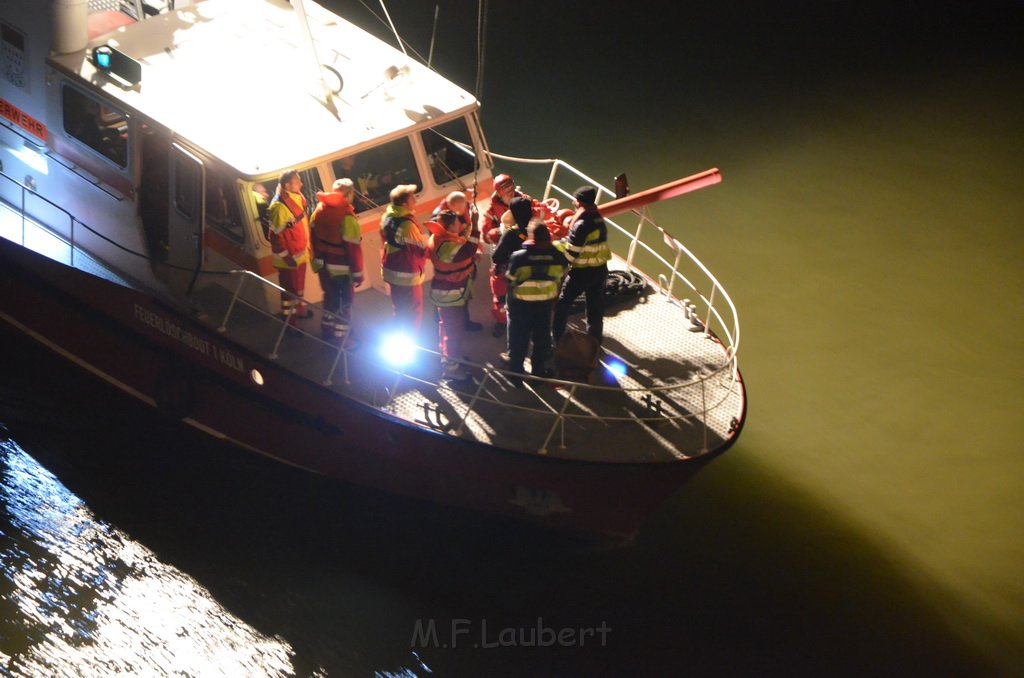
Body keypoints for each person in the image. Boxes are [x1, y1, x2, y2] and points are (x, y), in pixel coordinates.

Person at [504, 222, 568, 386]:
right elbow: (561, 274)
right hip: (544, 304)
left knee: (518, 340)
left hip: (520, 305)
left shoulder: (519, 257)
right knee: (542, 340)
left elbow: (510, 281)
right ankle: (538, 374)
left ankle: (516, 376)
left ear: (531, 237)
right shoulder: (558, 256)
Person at [553, 185, 611, 344]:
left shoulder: (581, 224)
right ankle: (595, 340)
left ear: (580, 202)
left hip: (582, 273)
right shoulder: (599, 219)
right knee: (595, 307)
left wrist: (556, 262)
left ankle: (557, 338)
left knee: (563, 304)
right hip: (600, 270)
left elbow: (572, 254)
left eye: (575, 201)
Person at [310, 178, 364, 344]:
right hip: (342, 268)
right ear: (349, 194)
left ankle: (327, 331)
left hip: (323, 265)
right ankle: (343, 339)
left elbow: (312, 238)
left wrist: (317, 260)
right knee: (345, 303)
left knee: (331, 299)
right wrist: (358, 274)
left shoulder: (318, 209)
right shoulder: (347, 218)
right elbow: (353, 249)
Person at [428, 210, 479, 380]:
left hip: (447, 292)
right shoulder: (446, 245)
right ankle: (451, 368)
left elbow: (461, 251)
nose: (459, 225)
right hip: (450, 293)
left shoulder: (440, 239)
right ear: (450, 226)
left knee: (446, 326)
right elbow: (468, 250)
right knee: (453, 330)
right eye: (457, 223)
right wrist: (476, 226)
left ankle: (450, 357)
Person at [431, 191, 483, 332]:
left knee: (462, 300)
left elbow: (464, 237)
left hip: (461, 267)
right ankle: (448, 324)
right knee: (451, 304)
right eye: (459, 209)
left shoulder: (455, 214)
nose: (461, 212)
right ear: (451, 205)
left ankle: (463, 322)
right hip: (452, 273)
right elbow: (450, 250)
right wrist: (471, 249)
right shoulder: (440, 220)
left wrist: (474, 251)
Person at [380, 184, 428, 333]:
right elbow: (421, 250)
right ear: (404, 203)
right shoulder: (407, 225)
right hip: (408, 275)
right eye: (412, 198)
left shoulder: (388, 216)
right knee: (413, 311)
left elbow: (383, 237)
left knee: (399, 308)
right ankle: (413, 343)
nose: (416, 200)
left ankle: (399, 337)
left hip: (392, 271)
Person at [267, 169, 311, 328]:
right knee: (289, 292)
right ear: (287, 185)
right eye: (298, 181)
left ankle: (300, 311)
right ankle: (290, 323)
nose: (301, 183)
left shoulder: (297, 197)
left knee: (299, 288)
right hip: (289, 259)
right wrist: (287, 258)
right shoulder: (278, 207)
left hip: (300, 253)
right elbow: (275, 237)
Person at [489, 196, 532, 338]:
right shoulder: (538, 229)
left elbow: (497, 257)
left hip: (509, 274)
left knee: (501, 299)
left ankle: (502, 323)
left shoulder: (511, 233)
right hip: (530, 275)